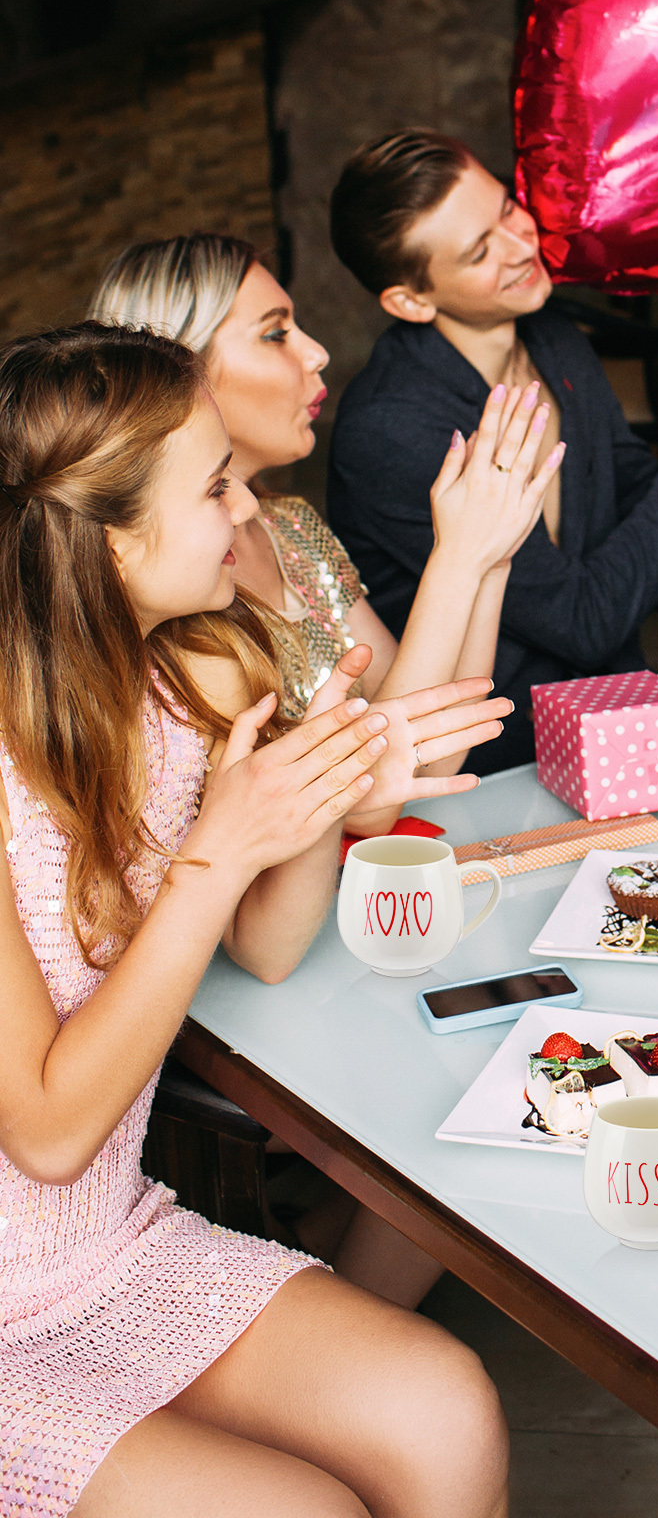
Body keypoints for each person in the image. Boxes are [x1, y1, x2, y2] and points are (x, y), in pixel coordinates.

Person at [0, 323, 515, 1516]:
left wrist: (341, 795)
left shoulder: (194, 678)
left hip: (112, 1250)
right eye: (215, 483)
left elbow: (273, 943)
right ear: (116, 543)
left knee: (448, 1408)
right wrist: (217, 855)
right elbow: (49, 1131)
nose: (248, 509)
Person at [326, 129, 658, 772]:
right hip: (492, 762)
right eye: (480, 252)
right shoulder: (395, 429)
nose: (520, 244)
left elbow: (627, 518)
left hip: (615, 721)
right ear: (410, 300)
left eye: (507, 209)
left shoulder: (552, 336)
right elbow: (583, 619)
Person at [88, 234, 560, 828]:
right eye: (275, 333)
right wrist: (457, 560)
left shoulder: (289, 524)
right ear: (178, 369)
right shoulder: (174, 577)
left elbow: (428, 756)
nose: (317, 353)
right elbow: (366, 809)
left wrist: (493, 554)